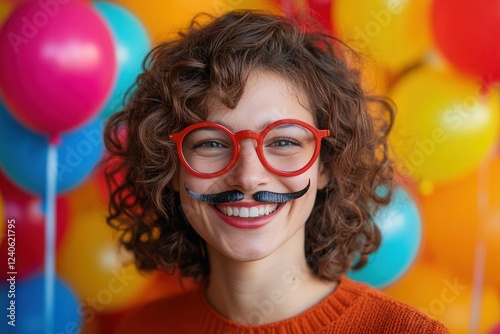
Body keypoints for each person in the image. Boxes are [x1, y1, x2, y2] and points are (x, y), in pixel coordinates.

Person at [103, 10, 449, 334]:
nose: (249, 177)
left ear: (325, 165)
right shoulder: (142, 327)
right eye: (211, 144)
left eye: (283, 142)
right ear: (172, 170)